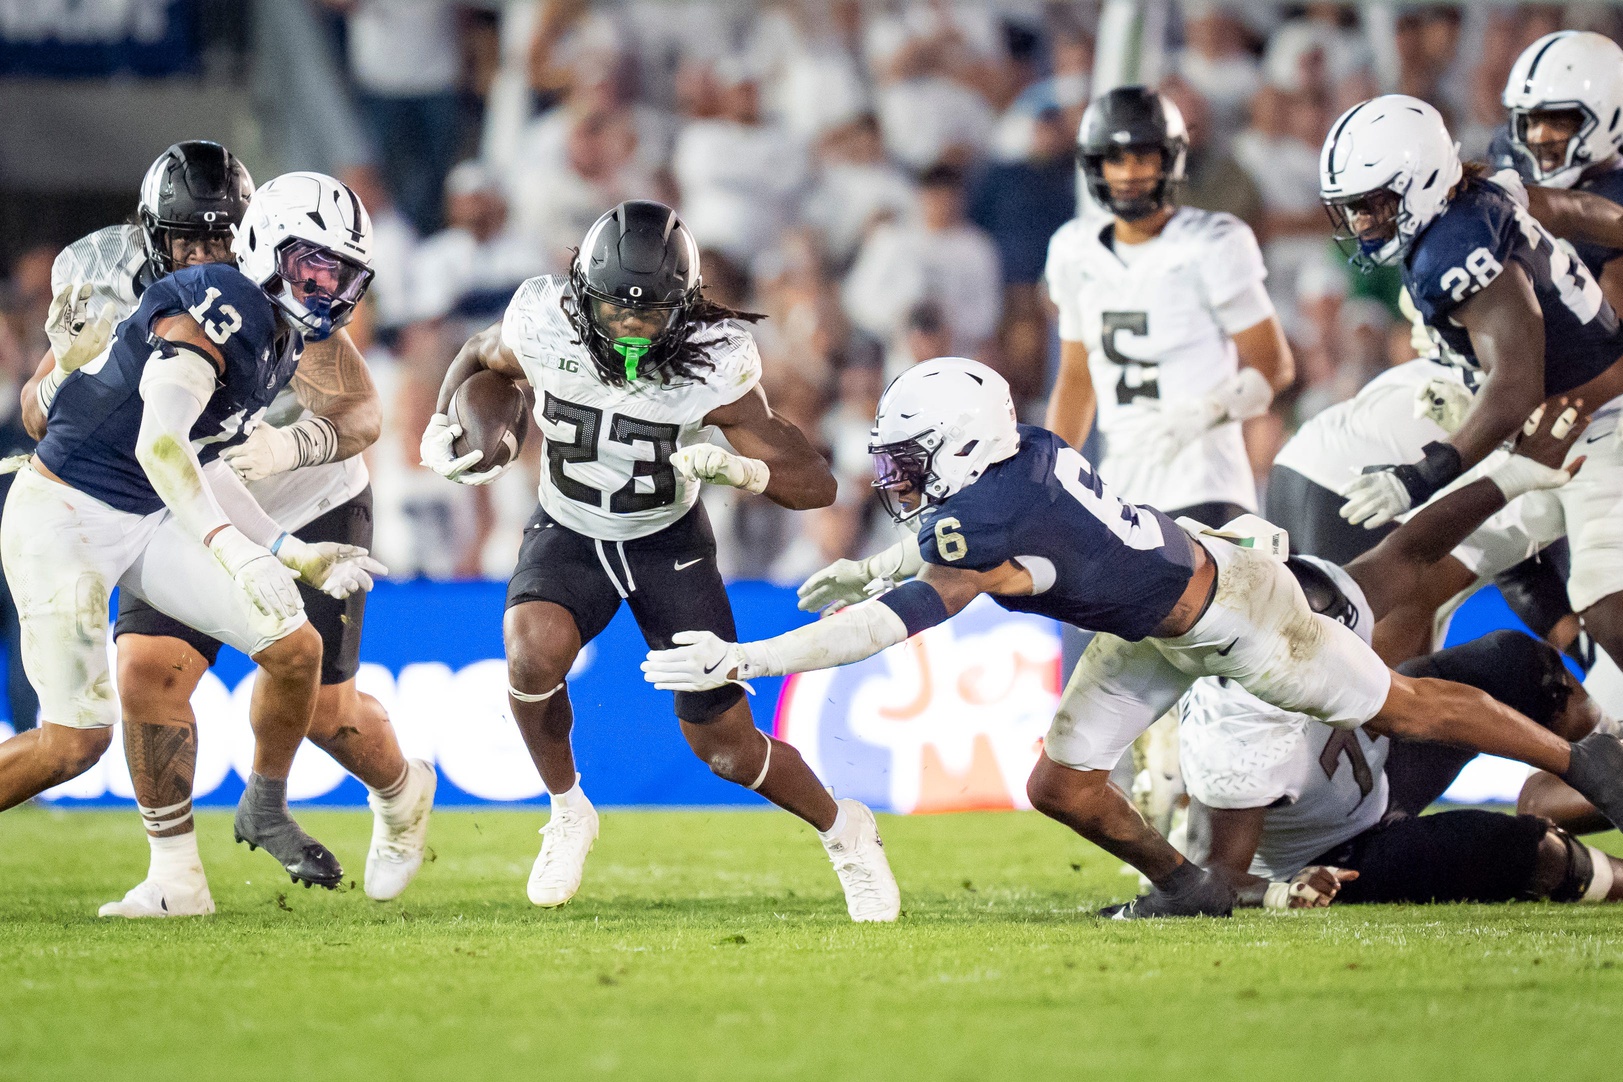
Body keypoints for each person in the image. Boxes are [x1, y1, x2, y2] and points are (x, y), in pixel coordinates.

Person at [643, 358, 1623, 918]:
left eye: (910, 461)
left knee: (1403, 702)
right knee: (1058, 784)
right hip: (1154, 618)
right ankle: (1191, 887)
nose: (898, 479)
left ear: (958, 449)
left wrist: (751, 657)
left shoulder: (985, 517)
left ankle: (1582, 755)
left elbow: (893, 625)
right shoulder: (1018, 454)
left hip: (1237, 616)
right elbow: (951, 554)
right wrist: (876, 561)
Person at [420, 200, 900, 921]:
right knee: (529, 653)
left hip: (665, 543)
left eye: (650, 315)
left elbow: (818, 484)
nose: (631, 328)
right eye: (616, 310)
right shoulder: (540, 321)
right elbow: (479, 360)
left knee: (726, 747)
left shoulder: (715, 359)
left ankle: (845, 831)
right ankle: (566, 810)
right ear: (582, 294)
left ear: (686, 306)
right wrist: (439, 420)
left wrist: (747, 475)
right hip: (569, 526)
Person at [21, 142, 435, 917]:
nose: (209, 255)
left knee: (321, 707)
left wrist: (284, 446)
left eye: (222, 238)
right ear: (153, 236)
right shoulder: (104, 277)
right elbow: (46, 414)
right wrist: (58, 370)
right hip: (182, 494)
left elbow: (362, 414)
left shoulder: (284, 288)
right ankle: (176, 877)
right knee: (146, 670)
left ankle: (400, 788)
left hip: (302, 499)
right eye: (190, 241)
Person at [1179, 402, 1622, 906]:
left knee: (1520, 664)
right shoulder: (1230, 727)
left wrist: (1517, 473)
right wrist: (1276, 893)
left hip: (1382, 767)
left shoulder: (1308, 598)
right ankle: (1597, 786)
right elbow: (1212, 876)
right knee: (1522, 852)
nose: (1291, 603)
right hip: (1341, 852)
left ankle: (1609, 752)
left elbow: (1414, 549)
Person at [1322, 94, 1623, 677]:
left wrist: (1422, 475)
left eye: (1373, 204)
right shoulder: (1483, 195)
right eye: (1352, 209)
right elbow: (1578, 210)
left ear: (1424, 180)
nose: (1361, 223)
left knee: (1606, 603)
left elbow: (1515, 385)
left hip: (1596, 425)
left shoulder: (1454, 250)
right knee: (1415, 561)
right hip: (1546, 435)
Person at [1045, 86, 1293, 529]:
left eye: (1144, 156)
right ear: (1094, 163)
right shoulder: (1073, 250)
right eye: (1116, 158)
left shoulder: (1212, 242)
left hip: (1205, 481)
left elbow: (1274, 366)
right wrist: (1047, 479)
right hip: (1120, 491)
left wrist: (1207, 411)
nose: (1130, 172)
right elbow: (1077, 380)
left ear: (1170, 159)